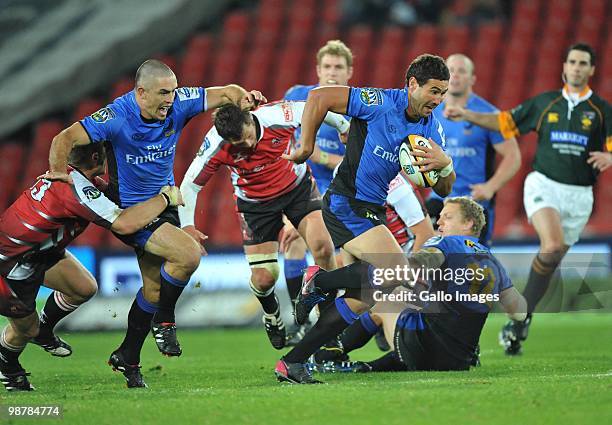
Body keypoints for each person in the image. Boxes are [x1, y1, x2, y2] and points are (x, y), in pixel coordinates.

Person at [40, 59, 266, 383]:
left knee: (155, 288)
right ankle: (166, 321)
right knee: (187, 255)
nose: (170, 100)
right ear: (141, 93)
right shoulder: (116, 116)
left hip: (165, 205)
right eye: (163, 93)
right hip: (134, 211)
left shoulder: (178, 104)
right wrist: (59, 174)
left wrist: (243, 99)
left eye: (173, 92)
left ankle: (128, 358)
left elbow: (227, 92)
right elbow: (63, 138)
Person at [275, 53, 455, 383]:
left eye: (443, 92)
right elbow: (319, 96)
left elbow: (443, 188)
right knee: (398, 269)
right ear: (412, 84)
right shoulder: (380, 102)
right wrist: (305, 146)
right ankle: (319, 281)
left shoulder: (432, 129)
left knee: (364, 298)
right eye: (433, 91)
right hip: (347, 201)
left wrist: (445, 164)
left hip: (372, 208)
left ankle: (293, 362)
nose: (438, 100)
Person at [444, 43, 611, 355]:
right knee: (552, 245)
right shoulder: (546, 103)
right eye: (572, 61)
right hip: (544, 185)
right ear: (564, 67)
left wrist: (609, 154)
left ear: (591, 70)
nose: (576, 67)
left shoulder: (602, 111)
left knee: (552, 256)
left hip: (580, 195)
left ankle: (522, 319)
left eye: (583, 63)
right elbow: (505, 122)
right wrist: (467, 114)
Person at [0, 143, 183, 391]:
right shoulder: (74, 190)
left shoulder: (78, 180)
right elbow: (123, 224)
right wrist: (165, 198)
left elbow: (119, 201)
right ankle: (8, 368)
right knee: (24, 330)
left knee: (83, 288)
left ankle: (43, 330)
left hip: (37, 253)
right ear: (96, 156)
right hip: (10, 264)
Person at [178, 101, 349, 349]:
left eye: (247, 136)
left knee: (323, 247)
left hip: (296, 189)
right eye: (239, 144)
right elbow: (190, 185)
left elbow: (315, 108)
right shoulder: (216, 144)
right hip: (255, 205)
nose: (247, 145)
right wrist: (187, 226)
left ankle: (327, 328)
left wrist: (343, 126)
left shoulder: (277, 116)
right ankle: (271, 315)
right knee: (264, 279)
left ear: (250, 119)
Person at [305, 197, 527, 376]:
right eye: (439, 218)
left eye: (447, 217)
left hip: (422, 348)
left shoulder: (448, 243)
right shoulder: (494, 264)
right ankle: (370, 367)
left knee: (385, 296)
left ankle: (330, 353)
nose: (438, 223)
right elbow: (519, 311)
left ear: (468, 223)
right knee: (416, 306)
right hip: (459, 362)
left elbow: (416, 264)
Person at [281, 40, 353, 343]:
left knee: (337, 254)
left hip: (341, 188)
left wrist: (323, 157)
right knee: (293, 238)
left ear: (350, 72)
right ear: (318, 70)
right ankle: (299, 315)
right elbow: (281, 134)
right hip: (302, 185)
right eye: (327, 67)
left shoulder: (358, 106)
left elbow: (360, 158)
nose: (332, 73)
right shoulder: (297, 96)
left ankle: (336, 318)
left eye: (339, 67)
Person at [428, 54, 521, 246]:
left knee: (472, 265)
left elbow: (514, 156)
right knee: (431, 259)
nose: (455, 76)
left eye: (462, 71)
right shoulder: (431, 111)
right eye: (450, 70)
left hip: (474, 201)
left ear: (472, 79)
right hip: (439, 198)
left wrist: (491, 187)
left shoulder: (489, 114)